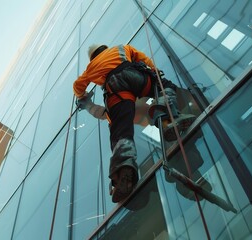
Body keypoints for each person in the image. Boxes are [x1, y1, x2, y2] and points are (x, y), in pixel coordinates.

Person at [73, 44, 195, 203]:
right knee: (165, 87)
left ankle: (123, 169)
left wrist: (82, 97)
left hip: (115, 87)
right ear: (105, 48)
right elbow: (142, 58)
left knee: (121, 130)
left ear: (93, 57)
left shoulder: (91, 67)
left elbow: (77, 85)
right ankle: (168, 120)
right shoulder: (121, 48)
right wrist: (155, 71)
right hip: (134, 75)